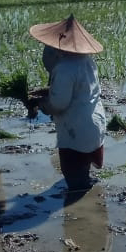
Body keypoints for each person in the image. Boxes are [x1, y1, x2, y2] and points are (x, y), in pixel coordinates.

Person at [26, 14, 106, 192]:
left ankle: (81, 214)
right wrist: (47, 91)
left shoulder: (64, 68)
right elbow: (80, 91)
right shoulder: (87, 62)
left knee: (74, 176)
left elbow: (59, 104)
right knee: (83, 168)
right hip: (94, 123)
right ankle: (88, 196)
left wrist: (40, 104)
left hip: (76, 128)